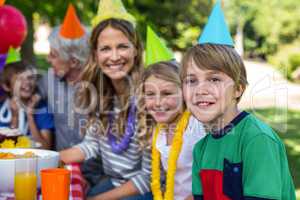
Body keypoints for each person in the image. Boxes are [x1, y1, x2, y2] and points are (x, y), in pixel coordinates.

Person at [182, 2, 296, 200]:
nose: (200, 89)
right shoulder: (202, 148)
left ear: (238, 89)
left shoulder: (256, 139)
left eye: (214, 79)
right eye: (191, 81)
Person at [60, 0, 152, 199]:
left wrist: (98, 198)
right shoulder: (102, 95)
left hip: (143, 190)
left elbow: (149, 176)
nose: (115, 56)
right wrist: (49, 158)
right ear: (95, 54)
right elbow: (92, 144)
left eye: (122, 47)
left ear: (136, 50)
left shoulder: (149, 98)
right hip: (113, 182)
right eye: (106, 49)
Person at [143, 27, 205, 200]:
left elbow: (211, 178)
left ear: (184, 93)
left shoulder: (196, 128)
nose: (157, 103)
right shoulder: (159, 131)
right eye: (150, 94)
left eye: (167, 93)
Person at [40, 3, 90, 150]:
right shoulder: (48, 80)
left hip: (96, 171)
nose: (48, 59)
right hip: (60, 168)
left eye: (53, 55)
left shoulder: (100, 85)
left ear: (74, 61)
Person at [0, 61, 54, 149]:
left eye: (30, 78)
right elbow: (6, 148)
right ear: (6, 86)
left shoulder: (42, 109)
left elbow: (45, 148)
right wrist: (15, 117)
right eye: (20, 79)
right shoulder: (2, 110)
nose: (27, 82)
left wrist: (30, 116)